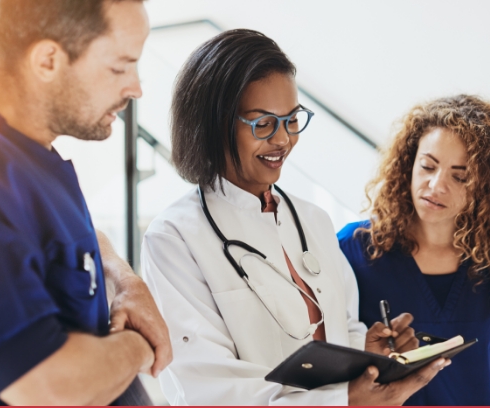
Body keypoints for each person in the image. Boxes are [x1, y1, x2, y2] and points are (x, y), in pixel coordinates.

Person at [141, 28, 450, 405]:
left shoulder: (313, 220)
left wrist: (370, 354)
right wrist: (345, 401)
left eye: (291, 119)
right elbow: (209, 387)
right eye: (263, 123)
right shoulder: (174, 238)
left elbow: (341, 329)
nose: (284, 139)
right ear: (214, 123)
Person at [0, 0, 172, 405]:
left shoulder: (26, 147)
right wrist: (140, 342)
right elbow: (49, 385)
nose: (135, 88)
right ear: (48, 59)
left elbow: (71, 241)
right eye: (120, 67)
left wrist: (125, 281)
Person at [338, 95, 490, 406]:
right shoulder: (355, 250)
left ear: (487, 186)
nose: (436, 186)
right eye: (427, 166)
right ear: (409, 163)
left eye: (459, 176)